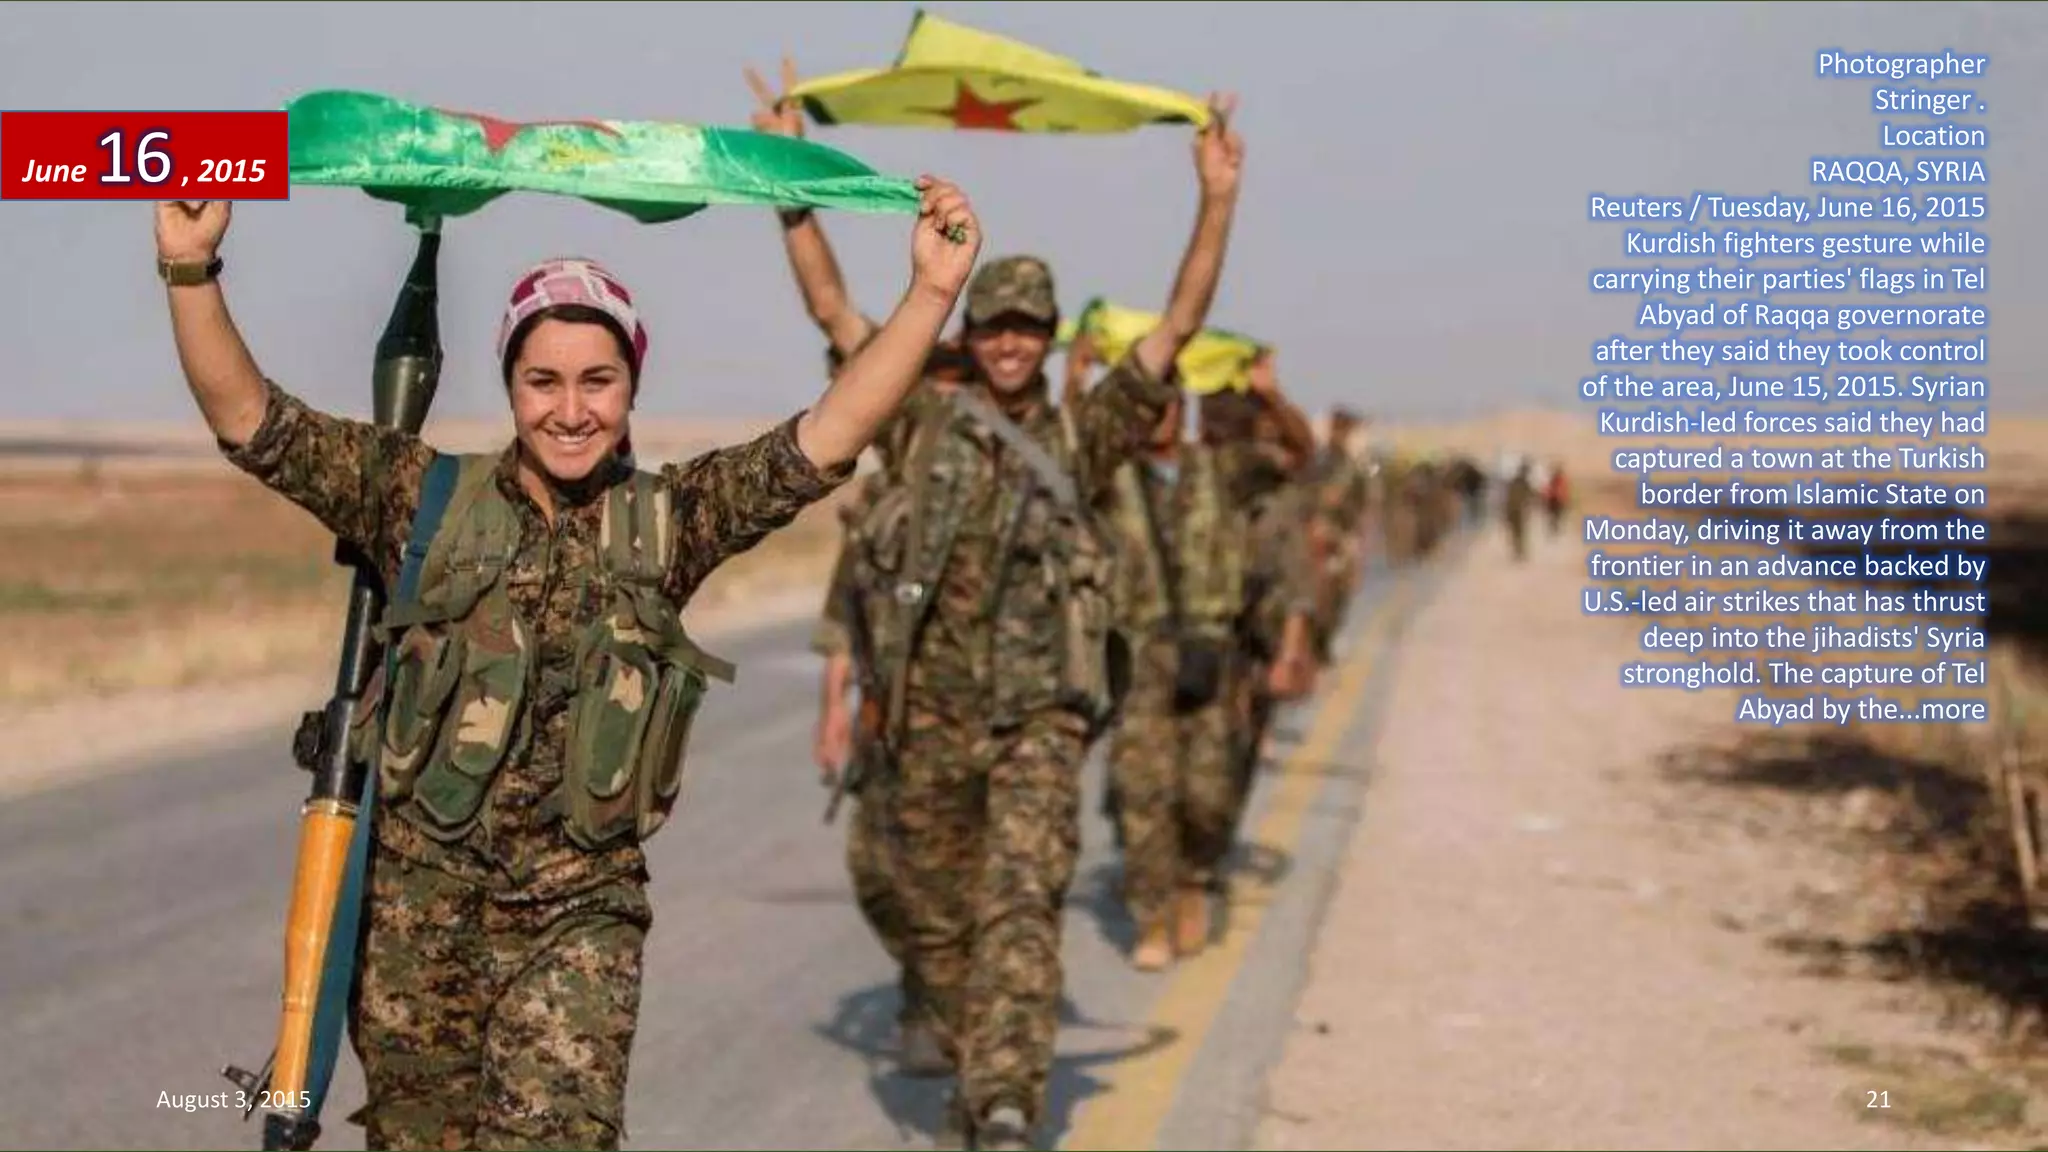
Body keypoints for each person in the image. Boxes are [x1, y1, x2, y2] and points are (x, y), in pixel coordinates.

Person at [154, 176, 981, 1151]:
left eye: (599, 380)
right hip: (412, 935)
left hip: (575, 922)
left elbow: (823, 441)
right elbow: (253, 422)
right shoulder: (420, 500)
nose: (571, 410)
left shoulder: (668, 523)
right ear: (509, 386)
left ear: (632, 385)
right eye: (543, 381)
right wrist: (190, 268)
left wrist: (930, 295)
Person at [752, 69, 1248, 1150]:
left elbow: (1174, 329)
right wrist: (791, 183)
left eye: (1031, 323)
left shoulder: (1082, 436)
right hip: (925, 720)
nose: (1015, 339)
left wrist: (1213, 198)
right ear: (970, 329)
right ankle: (964, 1031)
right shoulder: (916, 417)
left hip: (1036, 721)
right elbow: (834, 310)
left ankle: (1006, 1101)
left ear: (1049, 329)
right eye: (997, 322)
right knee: (927, 907)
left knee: (1021, 902)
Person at [1097, 350, 1314, 972]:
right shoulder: (1110, 477)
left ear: (1184, 406)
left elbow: (1299, 457)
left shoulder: (1221, 470)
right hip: (1138, 652)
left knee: (1208, 792)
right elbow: (1058, 451)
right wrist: (1083, 378)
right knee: (1143, 790)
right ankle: (1153, 914)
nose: (1157, 412)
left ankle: (1194, 875)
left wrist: (1272, 397)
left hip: (1209, 648)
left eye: (1168, 398)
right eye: (1144, 400)